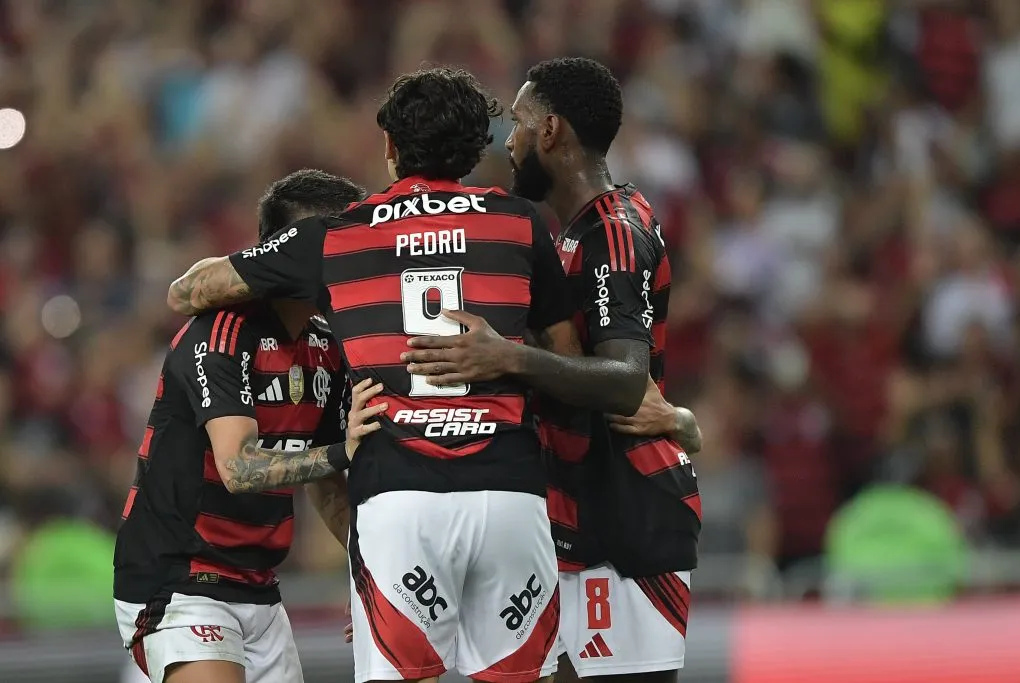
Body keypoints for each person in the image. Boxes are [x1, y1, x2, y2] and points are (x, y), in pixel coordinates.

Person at [165, 67, 653, 683]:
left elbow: (190, 291)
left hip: (399, 497)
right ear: (476, 148)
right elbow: (568, 359)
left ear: (391, 147)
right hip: (508, 493)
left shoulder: (336, 235)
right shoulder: (520, 223)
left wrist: (275, 274)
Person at [402, 58, 702, 683]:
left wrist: (505, 355)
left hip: (625, 518)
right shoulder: (568, 235)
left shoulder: (615, 235)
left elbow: (623, 379)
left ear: (550, 132)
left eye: (516, 122)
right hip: (570, 512)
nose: (505, 140)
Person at [114, 170, 369, 683]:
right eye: (345, 243)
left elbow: (325, 486)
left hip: (259, 586)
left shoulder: (327, 345)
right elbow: (238, 466)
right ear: (293, 254)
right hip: (179, 578)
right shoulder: (221, 332)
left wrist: (367, 574)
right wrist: (343, 450)